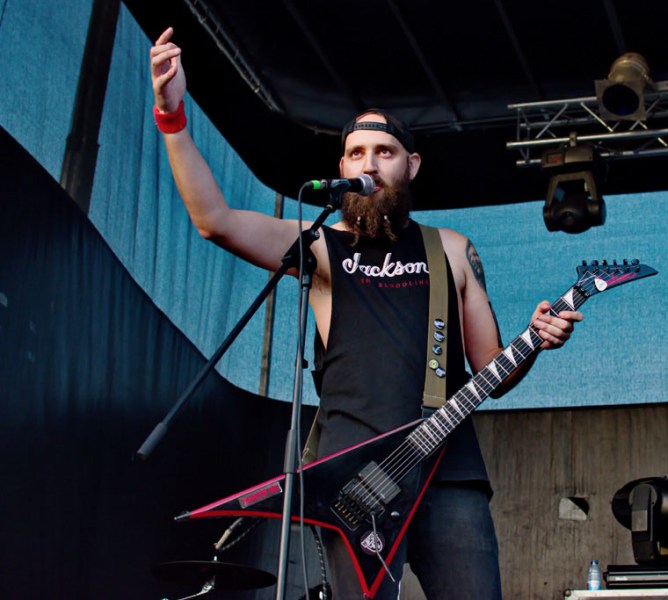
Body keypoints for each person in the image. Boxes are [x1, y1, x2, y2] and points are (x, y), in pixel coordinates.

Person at [150, 27, 582, 599]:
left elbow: (492, 371)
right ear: (342, 165)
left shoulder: (451, 249)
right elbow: (215, 221)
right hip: (352, 475)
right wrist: (172, 116)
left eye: (385, 152)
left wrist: (537, 339)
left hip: (447, 469)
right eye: (357, 153)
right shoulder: (321, 245)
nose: (370, 163)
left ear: (412, 165)